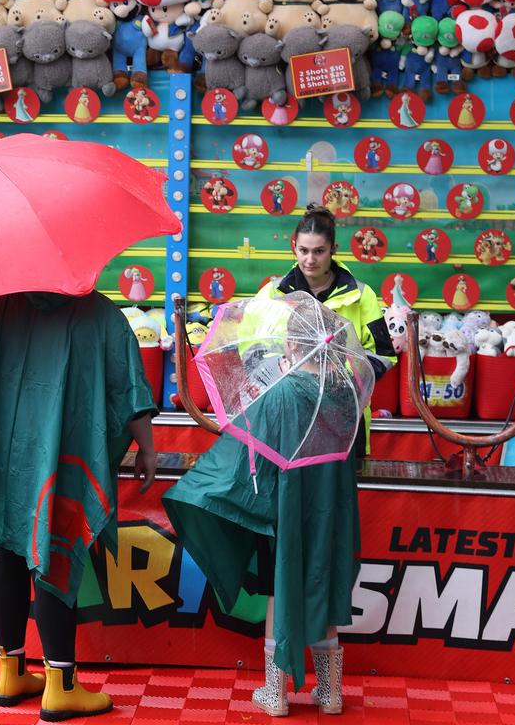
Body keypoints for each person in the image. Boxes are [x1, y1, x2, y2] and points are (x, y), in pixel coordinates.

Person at [167, 204, 395, 717]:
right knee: (324, 574)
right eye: (304, 250)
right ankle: (331, 692)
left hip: (283, 484)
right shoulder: (340, 402)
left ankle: (276, 692)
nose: (311, 259)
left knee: (280, 579)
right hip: (335, 468)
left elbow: (232, 456)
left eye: (319, 250)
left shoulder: (355, 301)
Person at [0, 290, 158, 722]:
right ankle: (61, 684)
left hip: (1, 455)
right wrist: (147, 447)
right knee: (54, 549)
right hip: (65, 457)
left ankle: (11, 672)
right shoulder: (98, 313)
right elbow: (128, 388)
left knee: (10, 550)